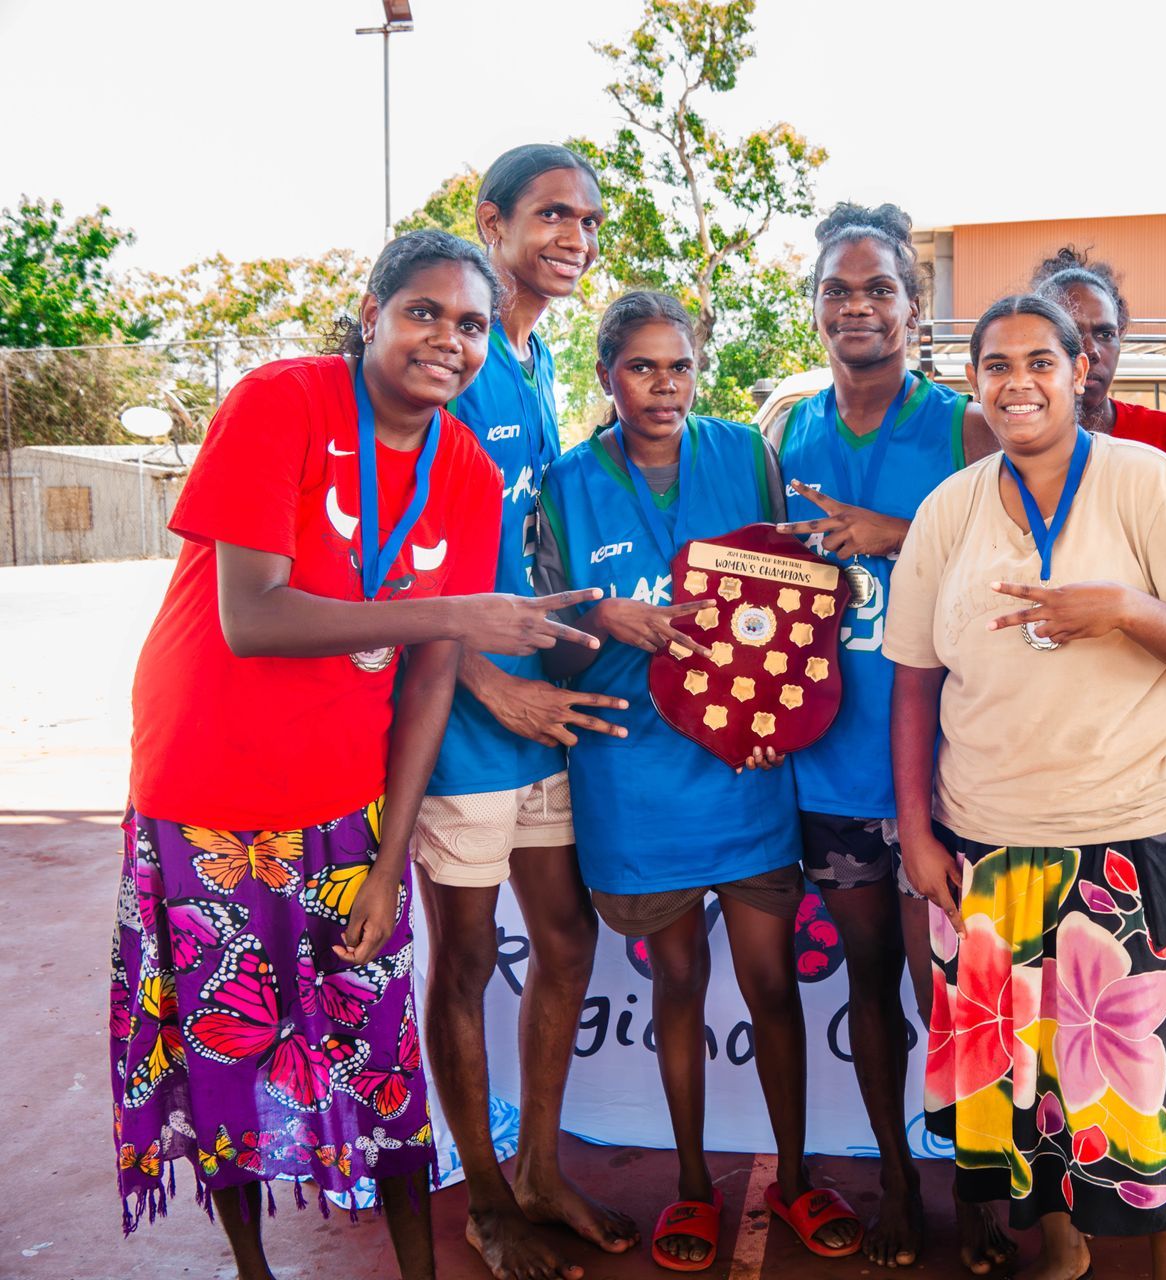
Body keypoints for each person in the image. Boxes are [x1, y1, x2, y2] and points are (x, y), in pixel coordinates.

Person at [111, 229, 604, 1280]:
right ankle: (254, 1267)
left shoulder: (464, 466)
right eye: (424, 311)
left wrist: (389, 857)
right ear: (372, 309)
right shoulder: (281, 401)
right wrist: (454, 610)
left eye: (471, 324)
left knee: (378, 1055)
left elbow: (429, 673)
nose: (449, 340)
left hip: (342, 793)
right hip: (208, 782)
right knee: (228, 1050)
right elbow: (253, 615)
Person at [888, 293, 1166, 1280]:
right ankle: (1060, 1251)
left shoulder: (1152, 484)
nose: (1018, 382)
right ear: (974, 383)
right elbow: (914, 677)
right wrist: (917, 831)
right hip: (988, 843)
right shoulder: (949, 508)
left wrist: (1125, 608)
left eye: (1039, 361)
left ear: (1081, 368)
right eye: (996, 365)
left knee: (1144, 1093)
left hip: (1135, 834)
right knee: (1026, 1091)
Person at [535, 290, 863, 1271]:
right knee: (678, 980)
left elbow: (795, 604)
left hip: (745, 767)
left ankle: (798, 1177)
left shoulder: (747, 457)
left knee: (770, 983)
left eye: (678, 365)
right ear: (606, 376)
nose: (664, 386)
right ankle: (689, 1184)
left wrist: (783, 713)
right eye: (641, 367)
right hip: (634, 780)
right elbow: (548, 646)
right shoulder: (562, 483)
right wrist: (604, 614)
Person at [409, 142, 639, 1280]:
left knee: (564, 931)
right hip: (458, 723)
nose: (574, 237)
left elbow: (519, 547)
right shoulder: (450, 361)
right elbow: (393, 571)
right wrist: (489, 682)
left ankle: (541, 1164)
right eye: (552, 214)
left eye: (588, 222)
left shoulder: (536, 361)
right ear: (491, 221)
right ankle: (489, 1200)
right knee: (462, 961)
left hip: (535, 708)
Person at [772, 202, 1012, 1272]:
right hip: (831, 762)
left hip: (949, 770)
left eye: (879, 289)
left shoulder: (959, 424)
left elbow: (1017, 559)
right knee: (872, 983)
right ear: (815, 306)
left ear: (915, 312)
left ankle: (986, 1198)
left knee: (961, 993)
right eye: (839, 288)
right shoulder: (791, 428)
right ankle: (899, 1183)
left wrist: (894, 535)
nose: (858, 305)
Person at [1031, 246, 1166, 458]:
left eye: (1106, 334)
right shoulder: (1012, 436)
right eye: (1072, 333)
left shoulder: (1164, 433)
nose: (1091, 351)